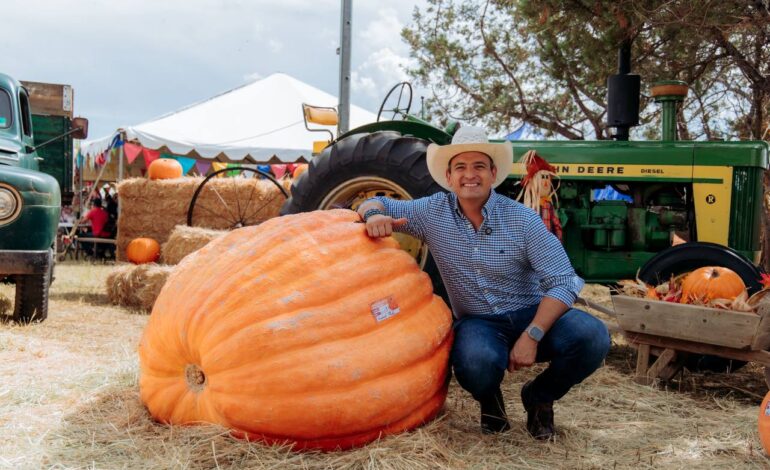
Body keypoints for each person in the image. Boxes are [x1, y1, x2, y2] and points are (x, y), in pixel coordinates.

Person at [356, 126, 610, 439]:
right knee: (475, 363)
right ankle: (490, 399)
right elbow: (375, 203)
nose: (469, 175)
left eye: (478, 166)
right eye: (460, 167)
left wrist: (532, 334)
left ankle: (539, 397)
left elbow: (563, 281)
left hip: (531, 312)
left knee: (592, 337)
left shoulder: (522, 219)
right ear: (449, 177)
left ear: (493, 173)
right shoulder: (431, 212)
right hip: (480, 322)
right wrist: (371, 216)